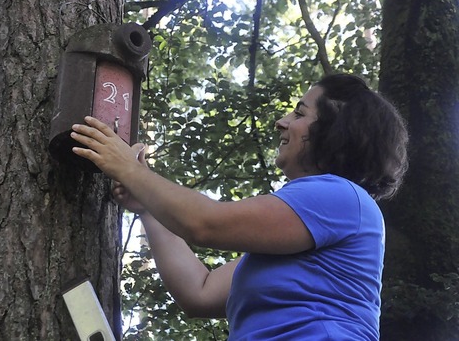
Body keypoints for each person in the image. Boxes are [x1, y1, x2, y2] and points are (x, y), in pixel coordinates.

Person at [70, 74, 408, 340]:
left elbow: (206, 223)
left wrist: (127, 167)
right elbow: (199, 292)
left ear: (336, 131)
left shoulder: (341, 197)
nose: (281, 121)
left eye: (300, 113)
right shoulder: (296, 237)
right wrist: (147, 209)